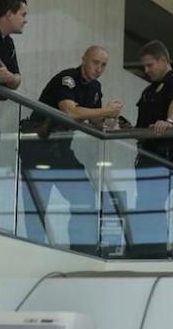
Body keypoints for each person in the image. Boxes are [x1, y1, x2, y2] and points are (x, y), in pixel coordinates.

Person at [19, 46, 123, 254]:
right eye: (95, 63)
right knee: (37, 206)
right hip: (39, 147)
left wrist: (109, 122)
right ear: (84, 59)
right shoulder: (67, 79)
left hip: (61, 150)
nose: (99, 69)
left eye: (103, 65)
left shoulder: (95, 88)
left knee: (84, 198)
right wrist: (105, 111)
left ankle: (82, 251)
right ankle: (35, 253)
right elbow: (70, 111)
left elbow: (94, 120)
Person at [131, 40, 173, 258]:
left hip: (164, 154)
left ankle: (155, 253)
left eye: (150, 65)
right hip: (146, 153)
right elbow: (142, 125)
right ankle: (143, 251)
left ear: (163, 60)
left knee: (154, 204)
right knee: (143, 204)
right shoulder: (149, 91)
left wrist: (169, 122)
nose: (146, 71)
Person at [0, 0, 27, 152]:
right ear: (9, 14)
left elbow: (17, 80)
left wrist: (9, 77)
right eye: (23, 14)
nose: (26, 20)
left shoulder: (8, 43)